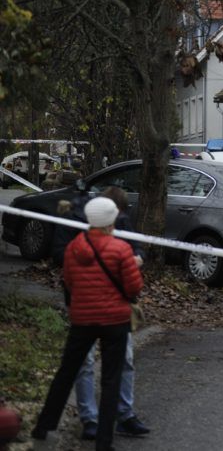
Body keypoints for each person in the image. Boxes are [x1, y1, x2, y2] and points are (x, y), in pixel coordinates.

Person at [32, 197, 143, 451]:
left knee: (66, 373)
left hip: (82, 319)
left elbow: (68, 281)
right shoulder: (121, 249)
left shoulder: (73, 248)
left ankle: (43, 425)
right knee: (111, 380)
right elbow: (134, 286)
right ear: (111, 221)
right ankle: (104, 442)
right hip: (115, 321)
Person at [73, 187, 150, 440]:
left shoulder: (124, 225)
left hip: (116, 309)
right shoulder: (76, 227)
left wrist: (135, 258)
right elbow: (65, 264)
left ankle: (124, 415)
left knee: (123, 361)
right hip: (87, 308)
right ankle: (90, 419)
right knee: (86, 363)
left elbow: (138, 251)